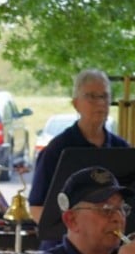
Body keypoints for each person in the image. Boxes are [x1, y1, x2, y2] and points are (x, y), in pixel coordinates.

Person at [28, 69, 129, 245]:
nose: (99, 103)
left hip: (108, 250)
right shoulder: (56, 150)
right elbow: (37, 208)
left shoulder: (121, 149)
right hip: (63, 251)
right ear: (76, 103)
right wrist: (78, 237)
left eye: (104, 96)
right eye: (91, 96)